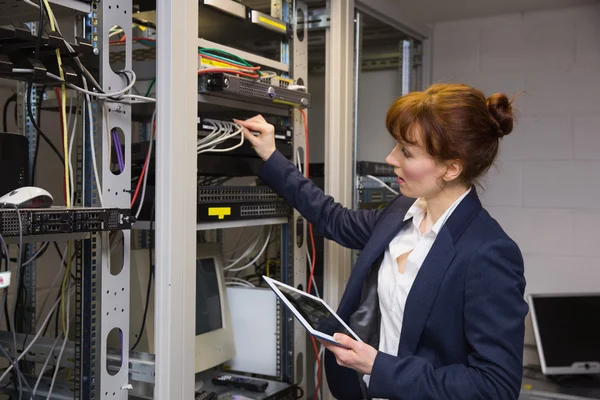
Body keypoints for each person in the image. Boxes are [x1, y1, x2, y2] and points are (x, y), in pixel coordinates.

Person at [234, 83, 528, 400]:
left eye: (406, 151)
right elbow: (334, 219)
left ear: (450, 167)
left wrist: (377, 366)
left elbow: (495, 386)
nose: (390, 158)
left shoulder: (487, 252)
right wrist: (270, 155)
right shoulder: (402, 212)